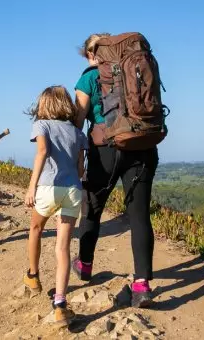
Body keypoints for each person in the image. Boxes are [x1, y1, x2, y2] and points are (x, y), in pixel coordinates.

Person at [71, 34, 160, 308]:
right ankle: (142, 285)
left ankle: (85, 265)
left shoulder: (88, 78)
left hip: (105, 149)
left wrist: (76, 156)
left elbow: (77, 119)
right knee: (139, 215)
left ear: (91, 53)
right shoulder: (137, 67)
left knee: (92, 208)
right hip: (142, 144)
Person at [23, 86, 88, 325]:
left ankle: (33, 275)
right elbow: (81, 169)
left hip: (49, 187)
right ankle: (60, 303)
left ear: (45, 105)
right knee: (63, 248)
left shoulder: (42, 125)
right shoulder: (77, 132)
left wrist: (32, 187)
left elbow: (42, 152)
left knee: (36, 229)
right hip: (73, 191)